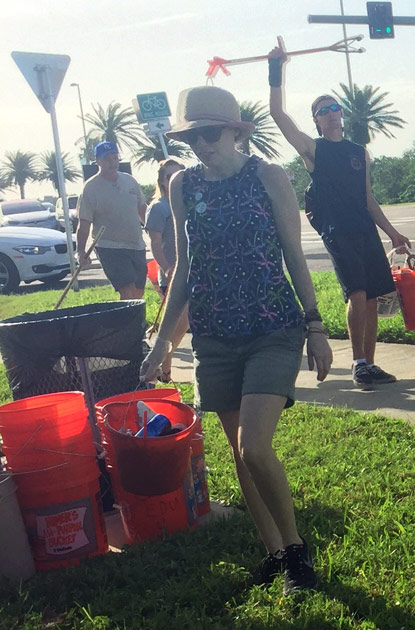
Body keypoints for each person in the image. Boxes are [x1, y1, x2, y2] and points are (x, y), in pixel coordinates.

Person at [140, 85, 334, 594]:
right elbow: (183, 265)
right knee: (236, 449)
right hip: (214, 335)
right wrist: (163, 342)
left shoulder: (268, 176)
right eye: (190, 135)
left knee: (254, 446)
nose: (200, 144)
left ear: (233, 131)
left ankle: (296, 554)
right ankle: (273, 552)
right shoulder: (182, 185)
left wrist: (315, 326)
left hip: (273, 326)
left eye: (209, 133)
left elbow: (294, 253)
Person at [267, 43, 410, 391]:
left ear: (341, 114)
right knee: (357, 295)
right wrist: (276, 70)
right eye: (323, 110)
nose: (331, 113)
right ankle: (359, 363)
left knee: (374, 297)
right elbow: (278, 116)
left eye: (335, 108)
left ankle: (370, 364)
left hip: (364, 228)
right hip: (337, 230)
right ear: (316, 120)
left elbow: (368, 198)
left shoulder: (359, 152)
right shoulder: (314, 150)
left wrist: (392, 233)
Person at [76, 141, 148, 300]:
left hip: (137, 245)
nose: (112, 162)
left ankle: (136, 323)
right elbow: (84, 223)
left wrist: (155, 231)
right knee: (127, 289)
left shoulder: (130, 181)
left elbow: (142, 209)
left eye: (115, 158)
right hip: (110, 247)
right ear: (98, 162)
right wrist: (81, 251)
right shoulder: (91, 188)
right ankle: (129, 324)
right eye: (107, 158)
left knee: (138, 291)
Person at [144, 158, 188, 382]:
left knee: (183, 324)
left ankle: (165, 370)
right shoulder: (158, 207)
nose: (174, 179)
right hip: (172, 274)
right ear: (161, 181)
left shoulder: (188, 201)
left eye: (178, 173)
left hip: (194, 272)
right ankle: (161, 363)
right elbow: (154, 242)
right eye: (169, 176)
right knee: (178, 324)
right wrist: (166, 268)